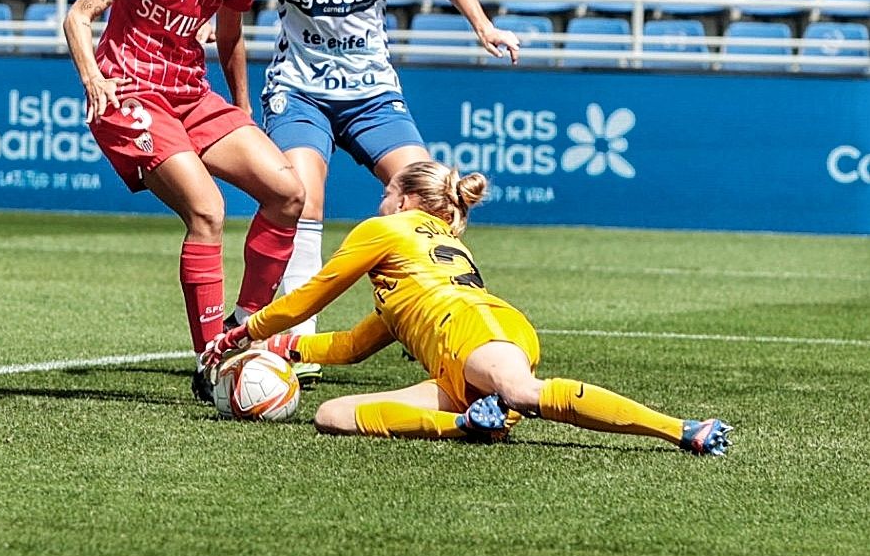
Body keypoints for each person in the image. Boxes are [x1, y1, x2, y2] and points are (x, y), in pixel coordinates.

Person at [235, 0, 521, 384]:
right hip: (300, 90)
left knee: (436, 194)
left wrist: (483, 26)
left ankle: (451, 326)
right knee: (303, 197)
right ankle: (299, 345)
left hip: (371, 93)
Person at [202, 159, 733, 456]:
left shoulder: (385, 229)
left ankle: (681, 429)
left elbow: (311, 295)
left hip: (472, 327)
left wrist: (245, 330)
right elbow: (350, 346)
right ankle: (471, 424)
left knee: (523, 392)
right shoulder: (410, 271)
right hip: (460, 351)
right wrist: (285, 347)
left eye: (388, 190)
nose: (381, 200)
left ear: (408, 200)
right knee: (332, 415)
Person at [63, 0, 306, 403]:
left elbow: (230, 34)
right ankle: (210, 360)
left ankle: (244, 327)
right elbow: (78, 16)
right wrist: (94, 80)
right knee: (209, 211)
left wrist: (243, 108)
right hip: (132, 95)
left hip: (192, 94)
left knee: (288, 194)